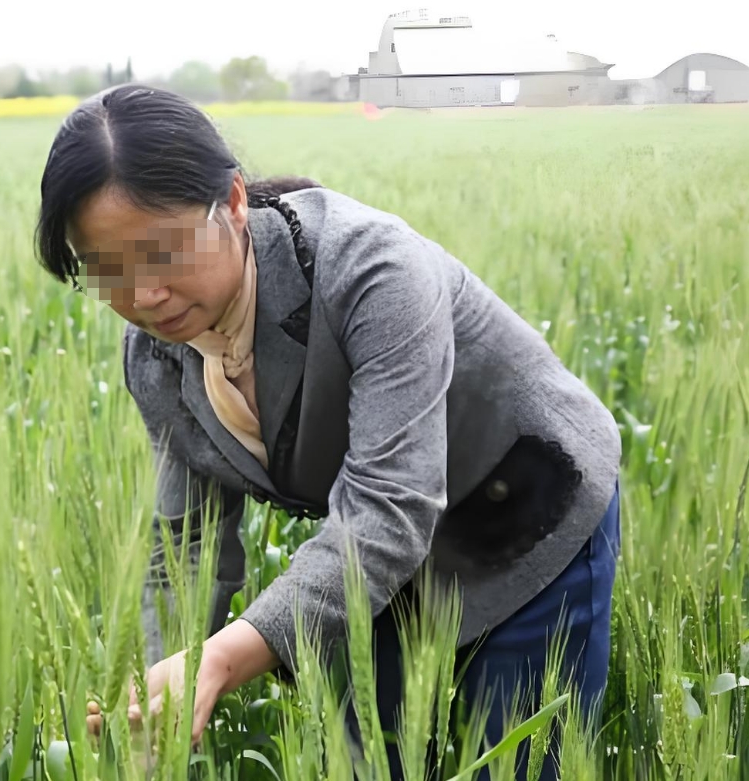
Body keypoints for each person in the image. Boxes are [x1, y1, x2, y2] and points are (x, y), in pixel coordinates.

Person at [33, 84, 622, 780]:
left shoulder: (373, 269)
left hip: (525, 507)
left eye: (161, 253)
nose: (143, 296)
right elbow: (185, 541)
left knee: (513, 762)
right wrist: (168, 677)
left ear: (232, 203)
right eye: (106, 272)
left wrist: (222, 658)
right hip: (376, 566)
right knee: (368, 761)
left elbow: (389, 509)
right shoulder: (155, 357)